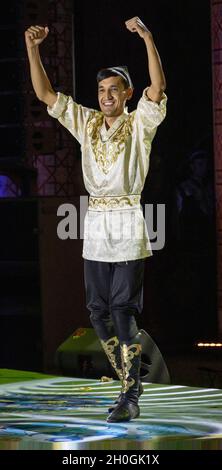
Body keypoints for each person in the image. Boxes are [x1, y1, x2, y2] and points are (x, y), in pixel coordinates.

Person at [25, 17, 167, 422]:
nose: (106, 96)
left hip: (127, 219)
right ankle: (128, 371)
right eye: (101, 90)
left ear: (126, 94)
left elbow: (157, 88)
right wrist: (33, 49)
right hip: (97, 224)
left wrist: (148, 37)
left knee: (122, 308)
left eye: (113, 90)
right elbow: (45, 93)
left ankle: (130, 391)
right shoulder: (86, 123)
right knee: (96, 311)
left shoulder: (139, 123)